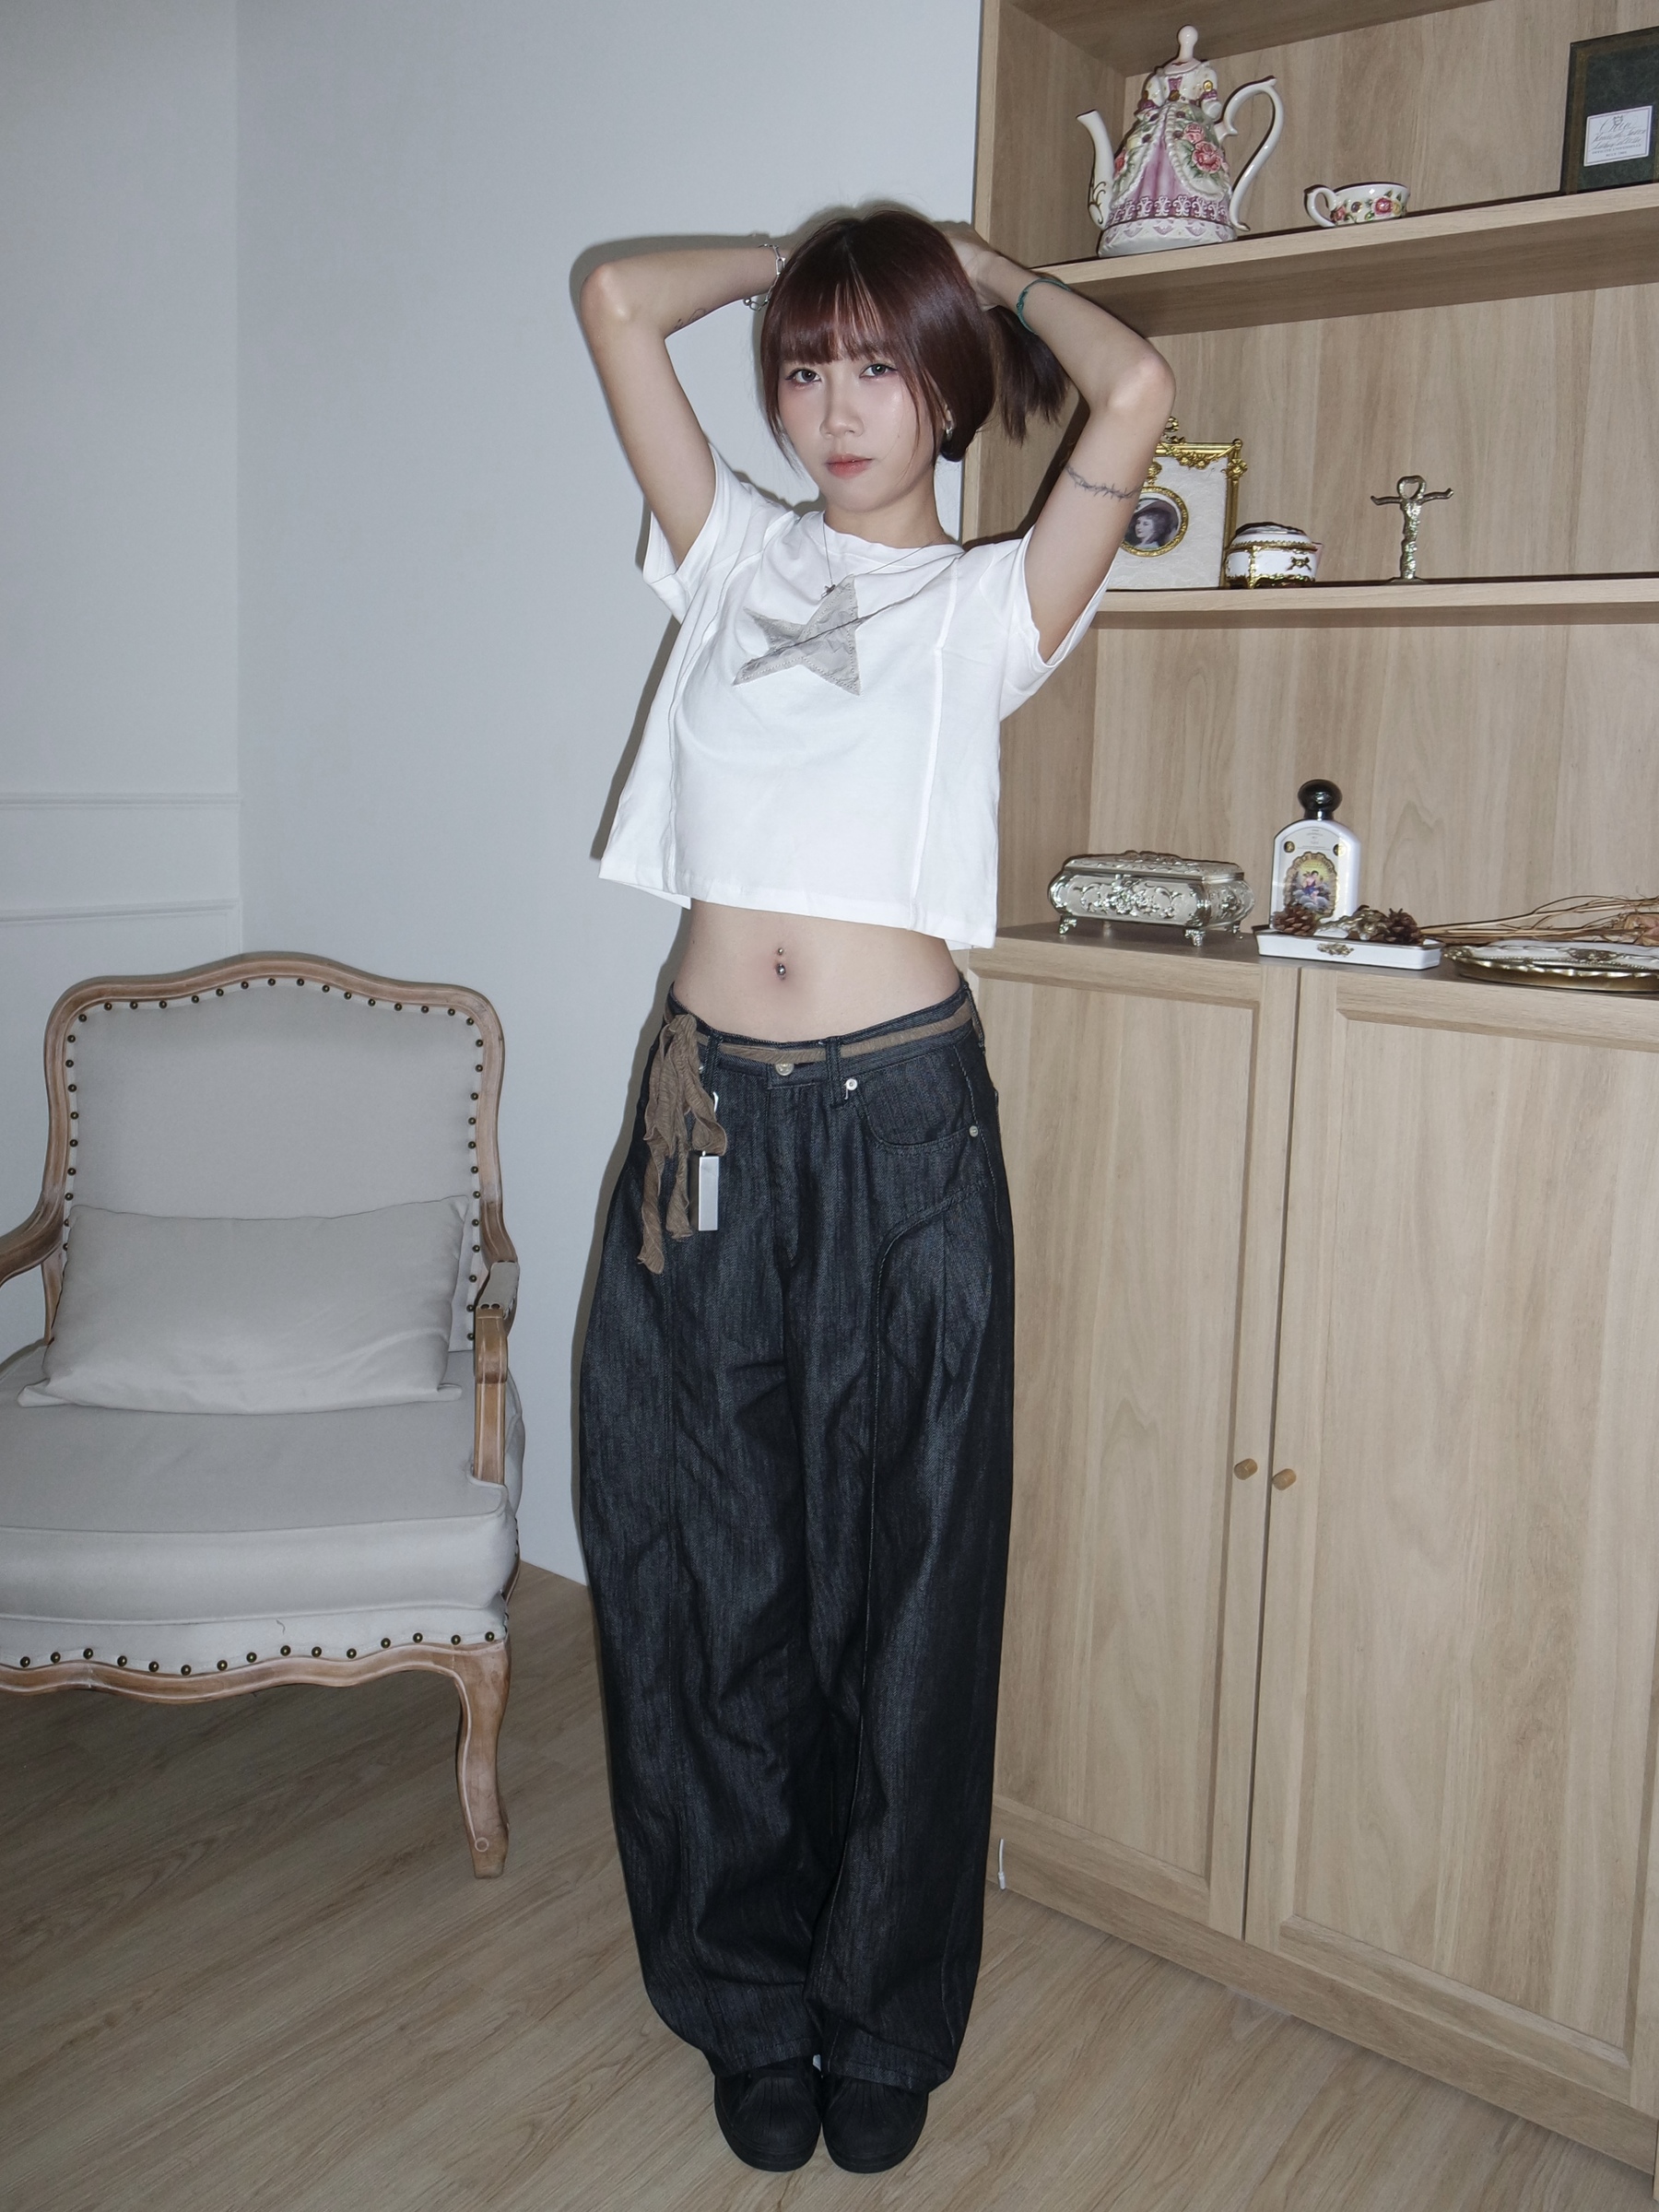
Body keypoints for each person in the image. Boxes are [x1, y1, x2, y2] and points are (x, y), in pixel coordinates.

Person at [576, 208, 1172, 2176]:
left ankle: (885, 2013)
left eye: (884, 367)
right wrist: (803, 255)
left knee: (910, 1580)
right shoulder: (729, 551)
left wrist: (970, 267)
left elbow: (1140, 388)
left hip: (904, 1132)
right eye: (809, 366)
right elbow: (614, 300)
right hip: (709, 1128)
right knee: (712, 1569)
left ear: (952, 390)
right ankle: (749, 2001)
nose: (839, 407)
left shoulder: (997, 601)